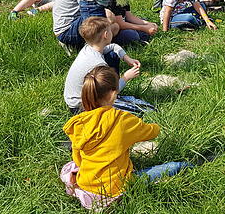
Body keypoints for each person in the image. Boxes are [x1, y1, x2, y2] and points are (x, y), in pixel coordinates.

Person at [60, 66, 193, 210]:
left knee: (71, 166)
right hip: (115, 187)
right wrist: (156, 126)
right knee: (174, 166)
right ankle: (199, 164)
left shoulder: (78, 123)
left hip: (87, 184)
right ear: (112, 94)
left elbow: (78, 159)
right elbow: (151, 132)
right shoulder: (122, 119)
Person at [63, 17, 141, 114]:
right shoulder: (99, 64)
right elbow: (108, 95)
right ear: (106, 35)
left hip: (72, 100)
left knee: (112, 54)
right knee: (138, 110)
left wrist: (126, 58)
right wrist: (126, 77)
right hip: (82, 107)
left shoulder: (88, 48)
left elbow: (113, 46)